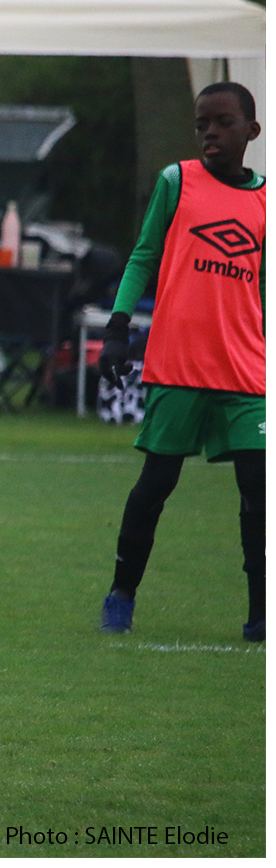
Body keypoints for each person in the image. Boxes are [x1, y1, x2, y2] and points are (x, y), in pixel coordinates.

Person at [97, 82, 265, 642]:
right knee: (156, 483)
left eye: (222, 122)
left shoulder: (266, 201)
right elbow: (144, 255)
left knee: (258, 488)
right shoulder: (177, 181)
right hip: (179, 365)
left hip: (245, 370)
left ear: (251, 131)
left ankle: (261, 614)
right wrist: (118, 327)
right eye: (201, 124)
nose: (210, 133)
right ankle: (121, 594)